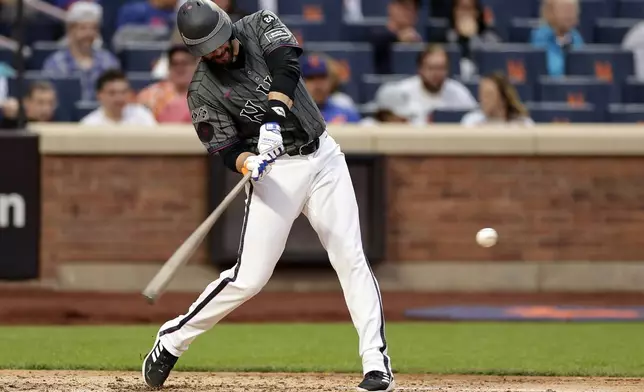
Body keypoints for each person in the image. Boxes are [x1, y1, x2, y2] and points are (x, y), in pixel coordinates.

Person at [141, 2, 394, 392]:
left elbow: (287, 66)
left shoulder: (259, 24)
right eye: (207, 49)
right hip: (276, 172)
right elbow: (224, 148)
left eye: (220, 42)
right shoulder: (203, 91)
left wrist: (273, 119)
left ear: (227, 27)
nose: (218, 51)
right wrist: (248, 163)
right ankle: (172, 339)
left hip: (322, 155)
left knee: (350, 257)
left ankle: (376, 364)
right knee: (249, 278)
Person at [374, 44, 477, 125]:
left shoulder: (459, 93)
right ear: (420, 69)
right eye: (431, 68)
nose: (436, 74)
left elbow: (475, 119)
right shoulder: (402, 91)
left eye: (441, 68)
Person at [42, 2, 120, 101]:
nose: (89, 33)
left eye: (93, 29)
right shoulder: (56, 63)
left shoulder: (109, 62)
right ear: (70, 30)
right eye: (83, 28)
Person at [138, 44, 199, 123]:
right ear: (169, 67)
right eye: (175, 64)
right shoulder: (150, 95)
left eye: (184, 63)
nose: (179, 68)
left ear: (196, 66)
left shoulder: (207, 96)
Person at [81, 69, 157, 126]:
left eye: (123, 92)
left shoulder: (141, 115)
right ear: (99, 95)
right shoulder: (89, 124)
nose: (119, 98)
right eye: (112, 93)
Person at [301, 54, 361, 124]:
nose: (317, 84)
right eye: (311, 78)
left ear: (330, 80)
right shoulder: (294, 114)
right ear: (303, 83)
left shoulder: (346, 113)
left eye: (322, 77)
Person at [530, 0, 583, 77]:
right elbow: (552, 71)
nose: (570, 15)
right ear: (550, 12)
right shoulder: (540, 36)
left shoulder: (576, 37)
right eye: (565, 10)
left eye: (573, 10)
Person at [460, 72, 534, 126]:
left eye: (488, 95)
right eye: (481, 94)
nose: (482, 99)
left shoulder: (524, 123)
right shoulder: (471, 121)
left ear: (503, 98)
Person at [371, 0, 422, 74]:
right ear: (391, 8)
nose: (409, 12)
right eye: (404, 7)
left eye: (413, 9)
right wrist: (398, 38)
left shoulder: (418, 41)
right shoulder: (377, 35)